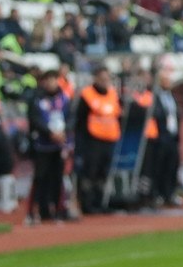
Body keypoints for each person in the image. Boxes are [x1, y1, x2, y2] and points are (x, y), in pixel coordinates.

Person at [75, 66, 121, 215]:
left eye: (107, 79)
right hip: (92, 140)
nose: (105, 82)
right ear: (95, 78)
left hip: (109, 139)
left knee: (103, 173)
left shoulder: (113, 94)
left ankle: (100, 202)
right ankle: (87, 204)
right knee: (90, 173)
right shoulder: (87, 95)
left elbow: (117, 113)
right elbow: (80, 119)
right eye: (102, 79)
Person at [27, 69, 71, 224]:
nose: (51, 83)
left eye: (54, 79)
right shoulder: (37, 99)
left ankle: (58, 211)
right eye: (48, 80)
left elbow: (70, 118)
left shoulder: (64, 98)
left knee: (57, 179)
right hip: (42, 144)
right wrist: (50, 132)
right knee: (40, 177)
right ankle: (33, 211)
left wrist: (64, 133)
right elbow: (34, 119)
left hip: (58, 145)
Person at [146, 66, 183, 208]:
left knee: (172, 166)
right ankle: (158, 194)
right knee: (159, 166)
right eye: (165, 80)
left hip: (172, 136)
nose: (168, 82)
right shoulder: (154, 96)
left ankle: (170, 193)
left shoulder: (171, 96)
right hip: (160, 136)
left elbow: (175, 115)